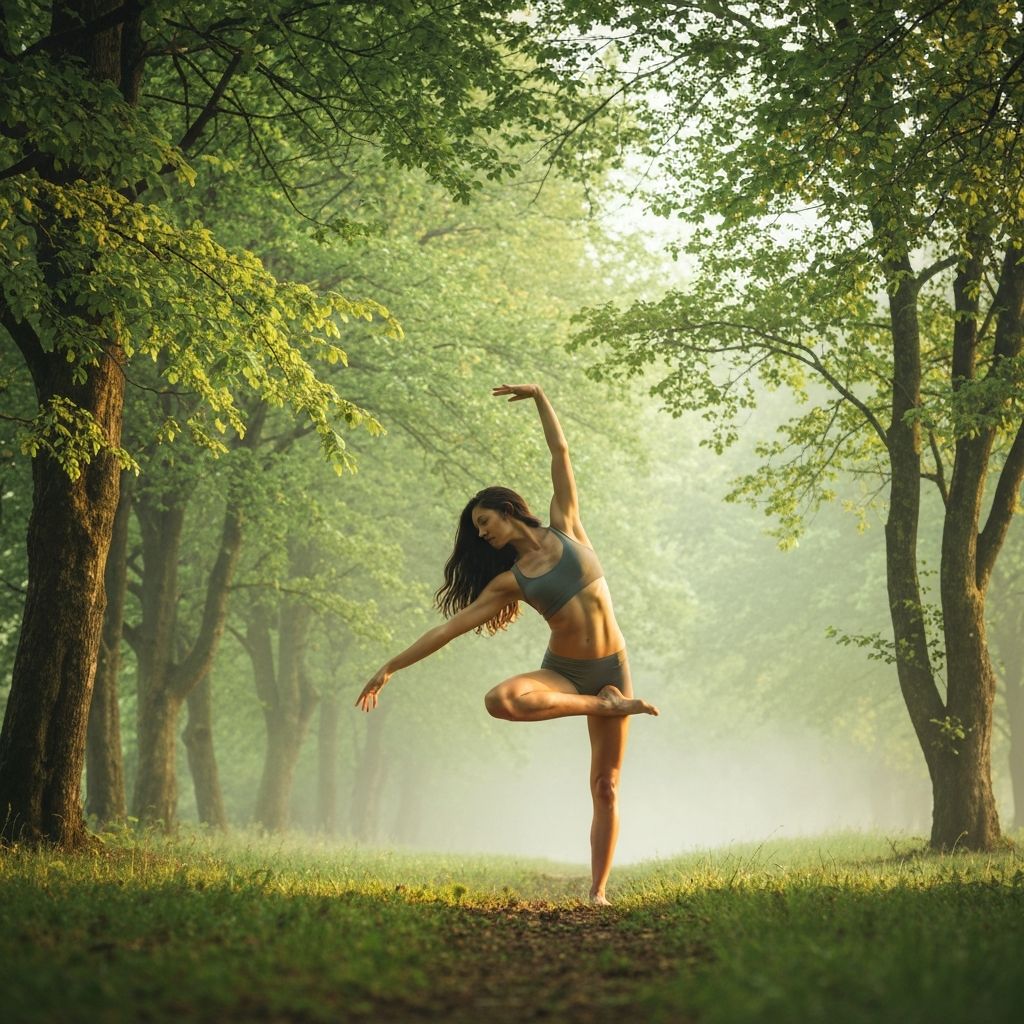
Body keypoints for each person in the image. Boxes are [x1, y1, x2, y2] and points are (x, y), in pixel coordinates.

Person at [356, 383, 659, 904]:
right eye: (476, 532)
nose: (482, 535)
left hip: (613, 666)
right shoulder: (509, 581)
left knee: (606, 787)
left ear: (503, 508)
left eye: (484, 523)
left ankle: (598, 893)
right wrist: (391, 666)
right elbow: (447, 629)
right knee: (499, 700)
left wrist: (542, 395)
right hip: (566, 673)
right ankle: (602, 706)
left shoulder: (567, 528)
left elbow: (560, 454)